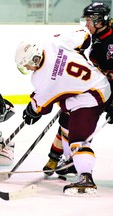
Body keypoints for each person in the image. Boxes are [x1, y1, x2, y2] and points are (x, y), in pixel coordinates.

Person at [14, 29, 111, 195]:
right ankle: (72, 163)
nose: (28, 68)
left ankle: (85, 178)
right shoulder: (53, 42)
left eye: (28, 64)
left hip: (90, 98)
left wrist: (30, 111)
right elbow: (85, 37)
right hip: (95, 84)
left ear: (35, 59)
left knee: (78, 139)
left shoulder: (41, 79)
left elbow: (40, 108)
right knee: (65, 122)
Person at [43, 2, 113, 178]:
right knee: (69, 121)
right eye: (87, 19)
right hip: (94, 90)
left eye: (90, 20)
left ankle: (76, 165)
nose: (87, 24)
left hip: (105, 93)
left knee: (80, 129)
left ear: (101, 21)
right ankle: (63, 160)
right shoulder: (90, 37)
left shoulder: (110, 42)